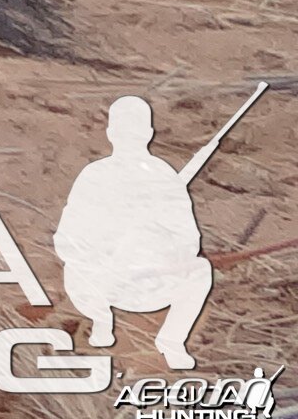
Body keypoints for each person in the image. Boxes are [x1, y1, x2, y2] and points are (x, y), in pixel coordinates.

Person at [53, 95, 218, 370]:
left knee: (200, 270)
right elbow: (67, 237)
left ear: (148, 134)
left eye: (136, 130)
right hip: (98, 278)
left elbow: (188, 238)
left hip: (148, 279)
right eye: (123, 131)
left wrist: (165, 252)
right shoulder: (94, 175)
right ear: (111, 133)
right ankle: (100, 327)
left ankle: (171, 342)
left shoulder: (164, 176)